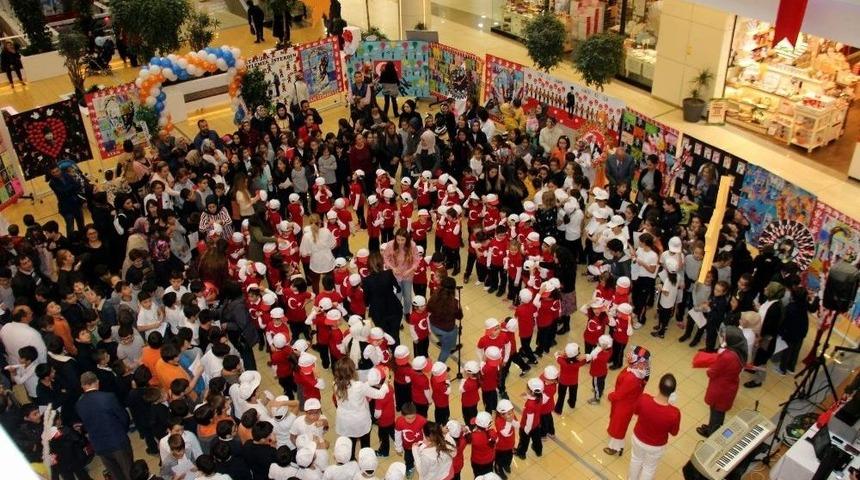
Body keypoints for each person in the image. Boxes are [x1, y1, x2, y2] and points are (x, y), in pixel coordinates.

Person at [76, 372, 133, 480]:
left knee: (115, 474)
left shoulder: (79, 404)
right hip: (118, 442)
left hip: (99, 446)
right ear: (97, 382)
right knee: (129, 471)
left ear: (83, 386)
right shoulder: (108, 397)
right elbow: (123, 417)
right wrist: (122, 431)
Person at [696, 326, 747, 437]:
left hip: (720, 389)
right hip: (728, 387)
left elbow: (711, 373)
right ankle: (712, 427)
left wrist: (710, 366)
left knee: (716, 412)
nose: (722, 339)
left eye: (724, 337)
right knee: (720, 412)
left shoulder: (727, 356)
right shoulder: (740, 351)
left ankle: (712, 433)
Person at [628, 373, 681, 480]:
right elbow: (674, 432)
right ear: (673, 392)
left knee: (635, 460)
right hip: (656, 446)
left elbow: (636, 411)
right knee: (649, 468)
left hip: (638, 438)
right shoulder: (674, 413)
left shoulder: (644, 399)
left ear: (659, 386)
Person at [332, 358, 389, 456]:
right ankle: (365, 459)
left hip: (345, 420)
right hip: (360, 420)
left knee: (350, 442)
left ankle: (351, 459)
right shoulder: (359, 386)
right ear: (352, 371)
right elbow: (380, 394)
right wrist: (386, 379)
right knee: (365, 443)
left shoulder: (335, 384)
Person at [604, 347, 650, 456]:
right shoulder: (640, 370)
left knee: (618, 427)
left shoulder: (632, 377)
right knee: (620, 425)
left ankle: (615, 448)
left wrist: (610, 396)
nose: (629, 355)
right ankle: (617, 445)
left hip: (624, 405)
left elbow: (620, 394)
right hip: (628, 402)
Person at [362, 251, 403, 343]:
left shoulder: (366, 281)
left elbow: (366, 300)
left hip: (378, 313)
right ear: (381, 262)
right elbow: (398, 289)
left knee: (384, 336)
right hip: (394, 309)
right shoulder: (388, 273)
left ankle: (388, 354)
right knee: (395, 335)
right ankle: (397, 352)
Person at [382, 229, 421, 322]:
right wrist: (392, 268)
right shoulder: (390, 245)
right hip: (395, 276)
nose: (400, 242)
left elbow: (417, 260)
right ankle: (397, 312)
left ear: (407, 239)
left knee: (408, 297)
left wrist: (410, 270)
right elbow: (385, 257)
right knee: (397, 297)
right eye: (398, 239)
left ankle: (406, 312)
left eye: (402, 240)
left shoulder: (412, 245)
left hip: (408, 275)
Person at [427, 277, 463, 363]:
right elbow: (459, 316)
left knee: (455, 330)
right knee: (445, 351)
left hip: (433, 325)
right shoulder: (454, 303)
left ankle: (452, 347)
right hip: (446, 330)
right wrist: (458, 302)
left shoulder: (434, 296)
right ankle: (439, 366)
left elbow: (428, 309)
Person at [299, 214, 337, 293]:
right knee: (330, 279)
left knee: (315, 282)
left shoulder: (306, 236)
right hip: (328, 259)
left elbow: (304, 254)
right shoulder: (326, 231)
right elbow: (333, 245)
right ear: (320, 222)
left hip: (316, 262)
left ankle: (317, 297)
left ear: (309, 224)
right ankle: (332, 294)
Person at [47, 166, 85, 237]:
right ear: (51, 174)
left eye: (57, 171)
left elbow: (77, 185)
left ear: (60, 170)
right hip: (66, 208)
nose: (56, 173)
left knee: (81, 224)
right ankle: (71, 242)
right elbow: (61, 192)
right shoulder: (52, 183)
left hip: (76, 203)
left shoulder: (67, 175)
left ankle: (83, 238)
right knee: (70, 227)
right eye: (53, 172)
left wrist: (67, 190)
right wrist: (71, 188)